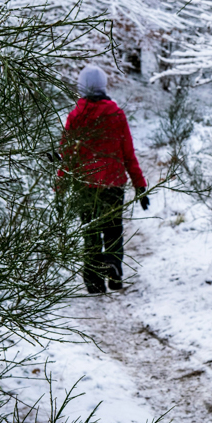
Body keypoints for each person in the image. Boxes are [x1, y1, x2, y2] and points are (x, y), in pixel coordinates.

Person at [58, 65, 149, 294]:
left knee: (90, 233)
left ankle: (93, 280)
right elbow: (128, 153)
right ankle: (113, 267)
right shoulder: (116, 114)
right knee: (113, 229)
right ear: (103, 86)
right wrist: (140, 185)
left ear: (81, 87)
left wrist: (60, 187)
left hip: (85, 185)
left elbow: (67, 156)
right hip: (113, 184)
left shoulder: (76, 117)